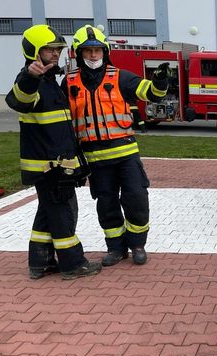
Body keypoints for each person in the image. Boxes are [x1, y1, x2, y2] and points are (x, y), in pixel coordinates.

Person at [64, 25, 168, 267]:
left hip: (126, 155)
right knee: (106, 204)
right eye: (88, 50)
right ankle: (116, 248)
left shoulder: (120, 77)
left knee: (136, 198)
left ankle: (138, 245)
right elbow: (62, 120)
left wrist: (160, 81)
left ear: (105, 51)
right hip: (95, 159)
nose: (93, 55)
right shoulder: (68, 83)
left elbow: (151, 93)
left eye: (97, 50)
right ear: (79, 53)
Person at [5, 24, 101, 280]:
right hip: (50, 166)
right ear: (34, 52)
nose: (56, 53)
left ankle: (40, 262)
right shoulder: (32, 82)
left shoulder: (50, 82)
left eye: (58, 49)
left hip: (54, 164)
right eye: (50, 49)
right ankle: (73, 264)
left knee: (47, 212)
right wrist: (29, 77)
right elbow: (18, 100)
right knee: (62, 213)